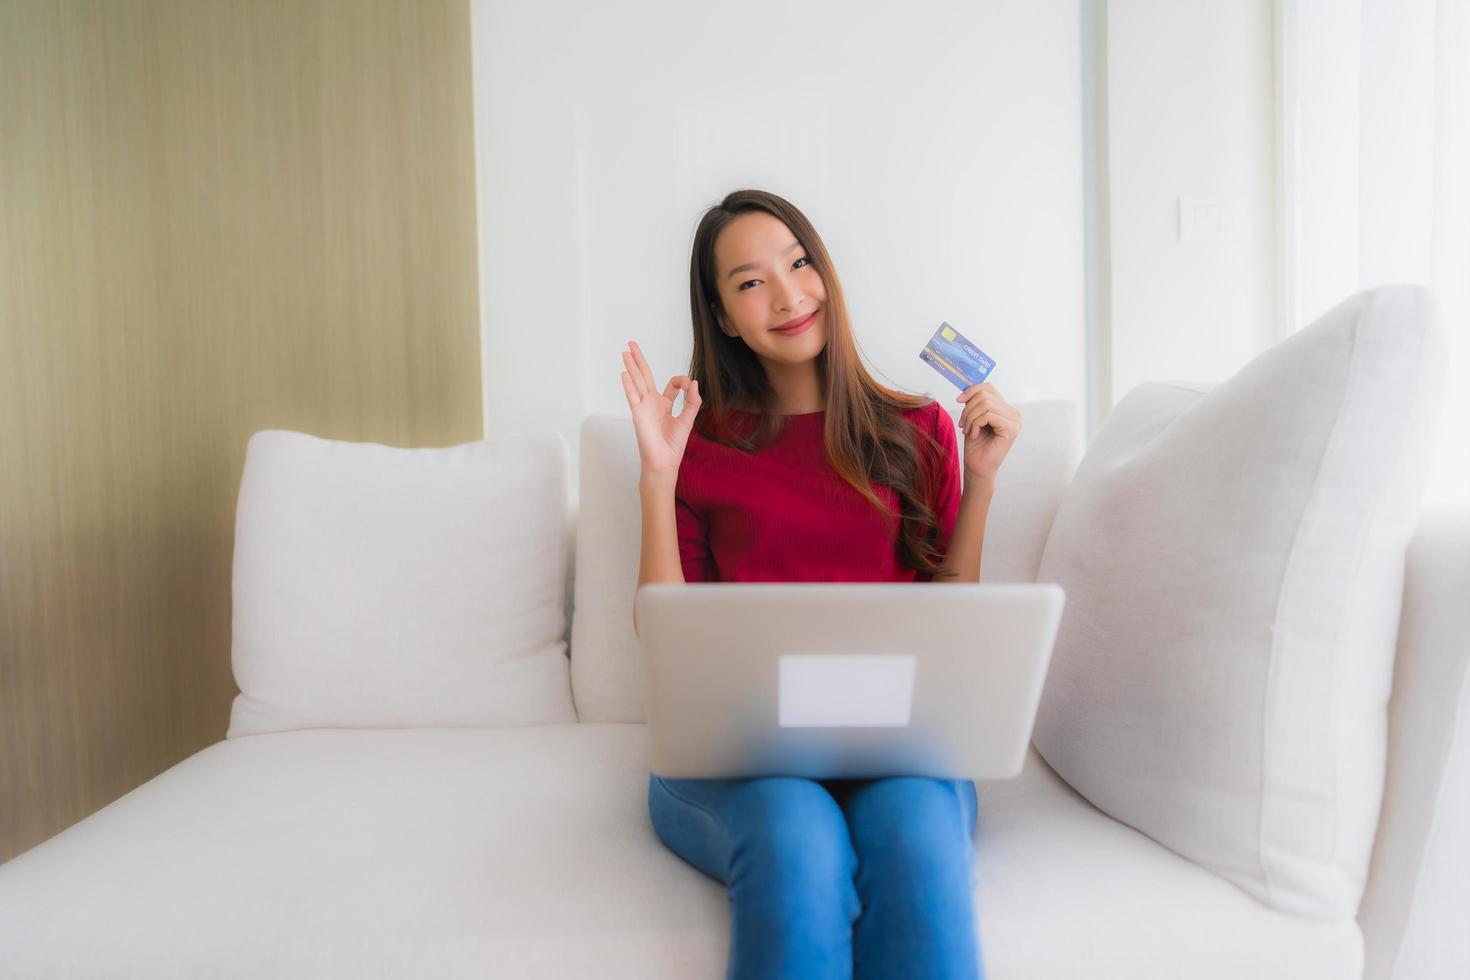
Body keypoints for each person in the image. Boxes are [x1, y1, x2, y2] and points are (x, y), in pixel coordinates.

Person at [618, 188, 1022, 980]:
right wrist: (657, 478)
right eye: (750, 281)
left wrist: (980, 484)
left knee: (914, 831)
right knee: (796, 835)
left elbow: (952, 624)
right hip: (737, 761)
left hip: (895, 749)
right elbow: (665, 635)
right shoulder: (699, 451)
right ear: (725, 318)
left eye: (799, 263)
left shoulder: (919, 431)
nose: (788, 293)